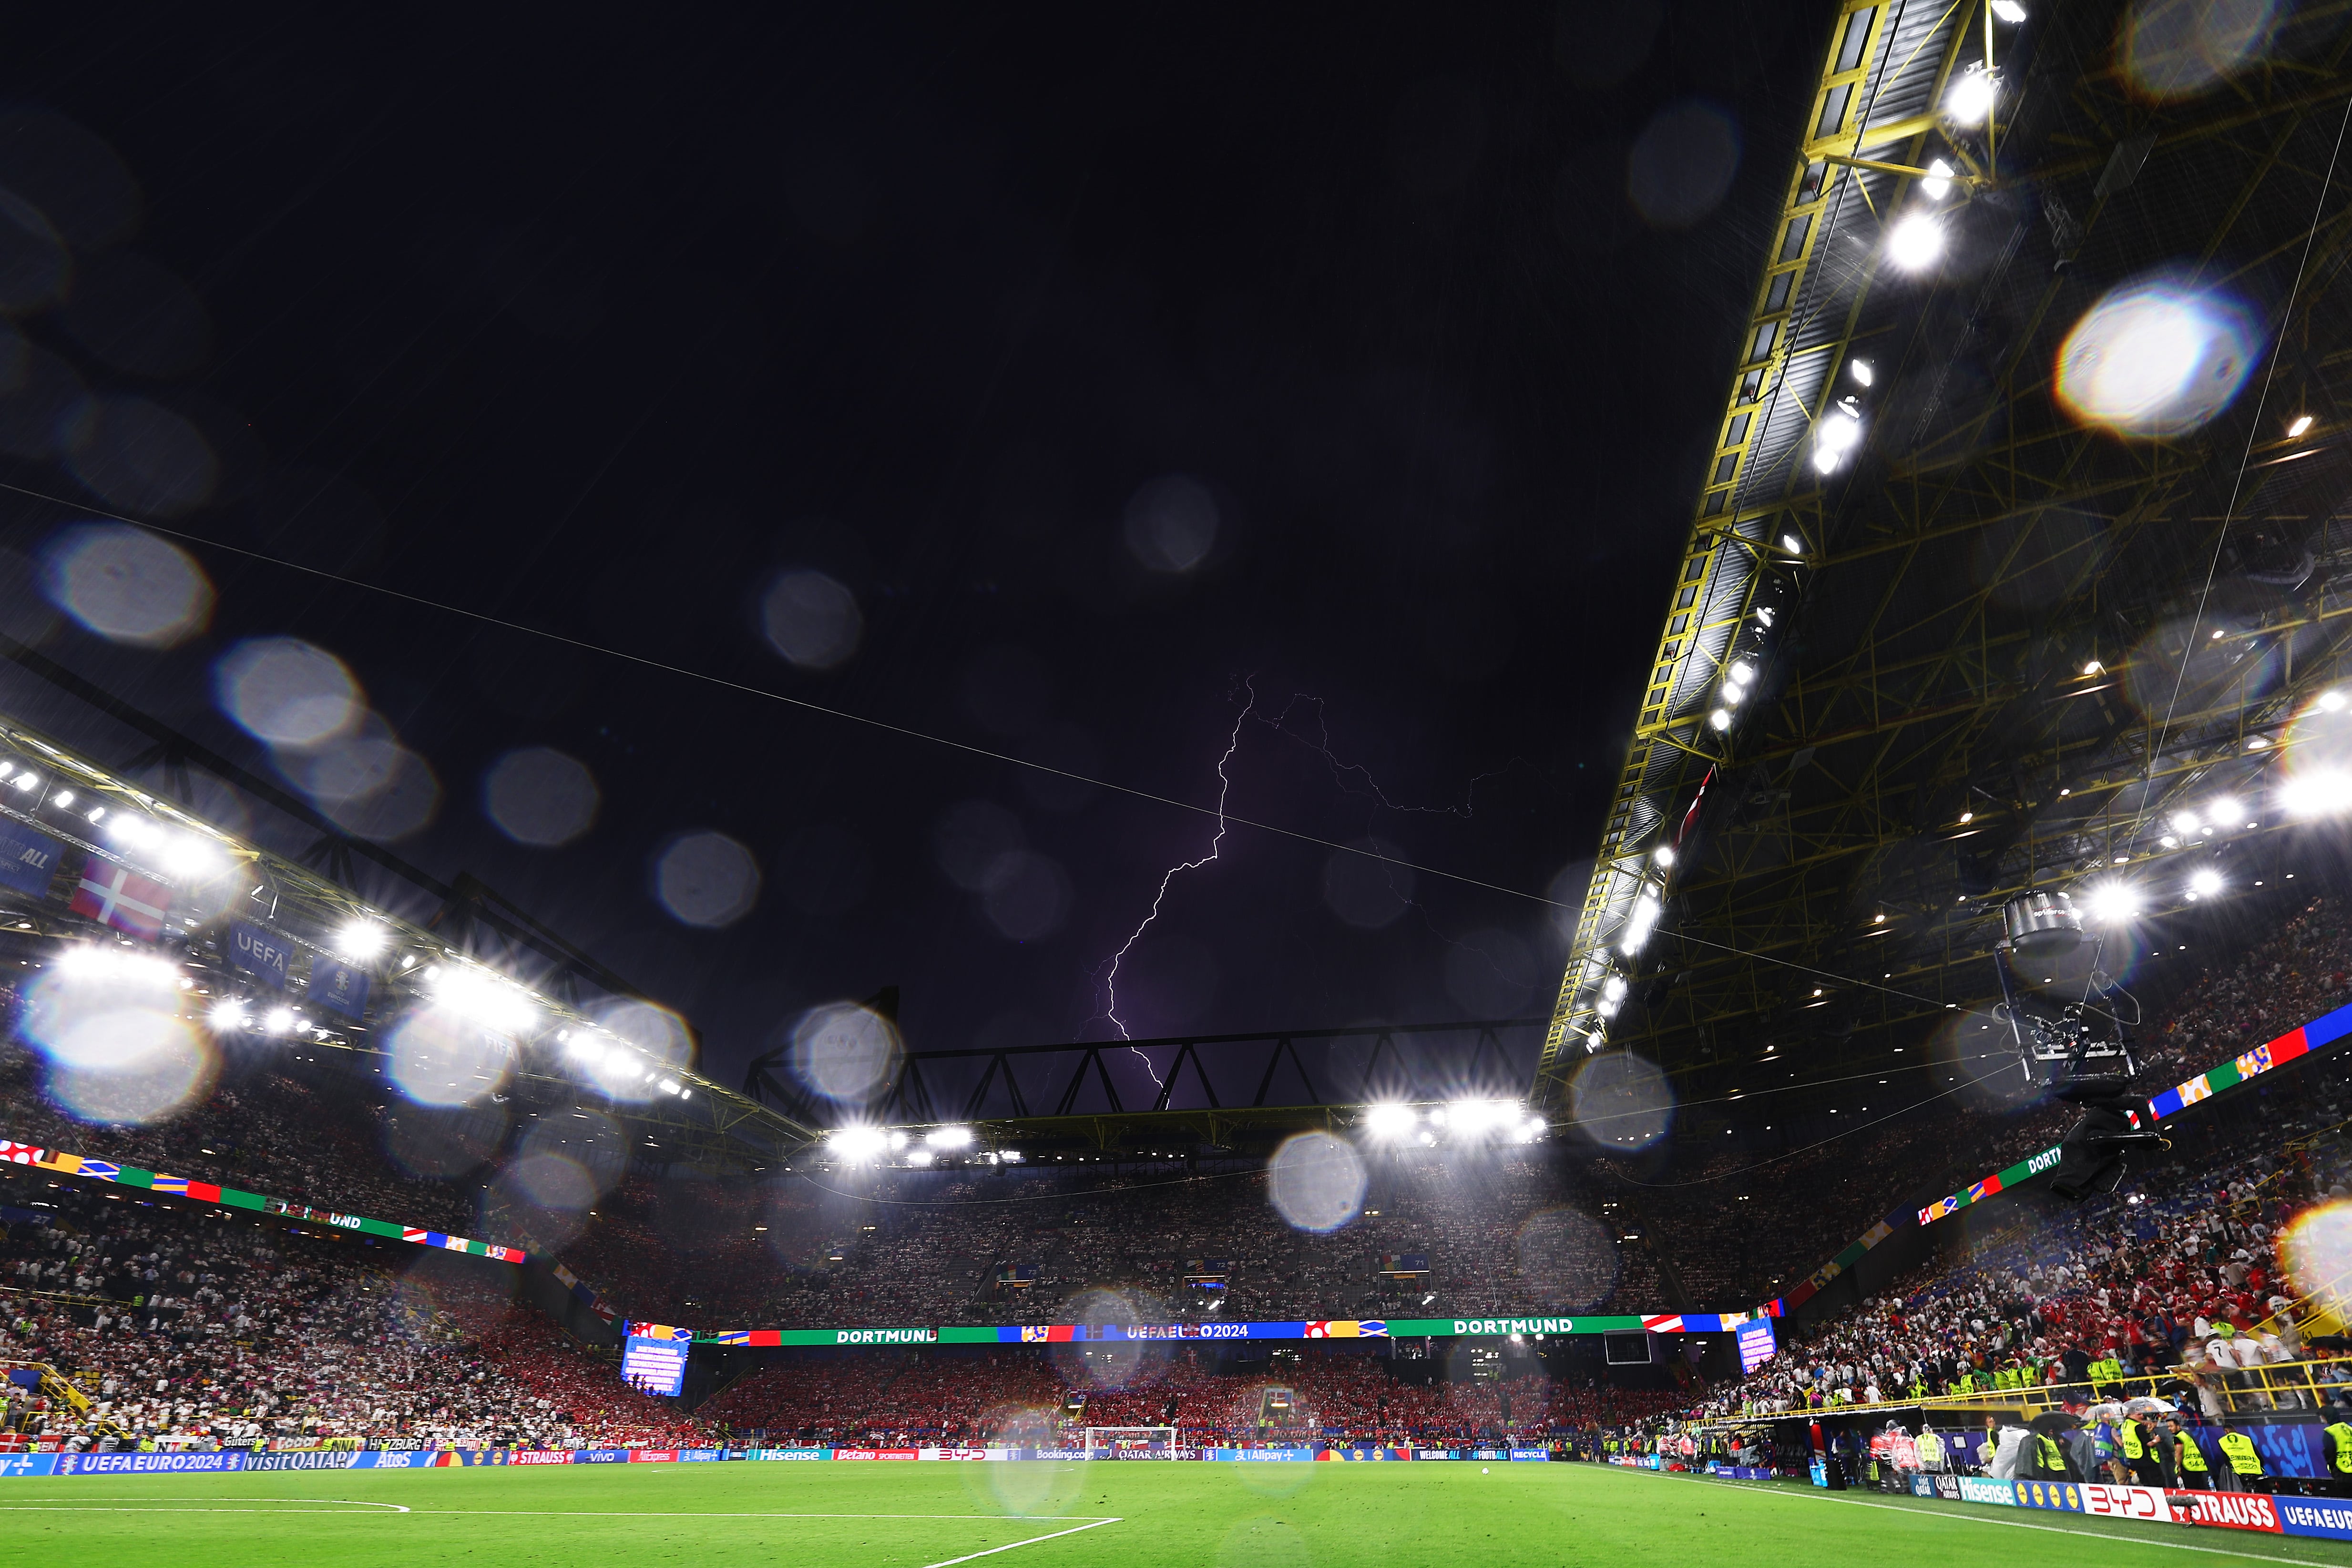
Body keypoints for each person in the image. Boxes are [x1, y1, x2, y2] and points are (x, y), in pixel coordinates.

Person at [2219, 1424, 2268, 1493]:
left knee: (2225, 1468)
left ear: (2226, 1431)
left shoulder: (2223, 1441)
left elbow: (2226, 1460)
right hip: (2255, 1471)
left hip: (2239, 1472)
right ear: (2235, 1430)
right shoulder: (2246, 1439)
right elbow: (2259, 1457)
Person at [2172, 1418, 2213, 1488]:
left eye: (2171, 1426)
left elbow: (2179, 1453)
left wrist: (2178, 1467)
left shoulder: (2178, 1437)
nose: (2169, 1428)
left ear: (2178, 1426)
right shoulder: (2188, 1435)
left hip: (2188, 1467)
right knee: (2201, 1488)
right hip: (2199, 1465)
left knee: (2192, 1489)